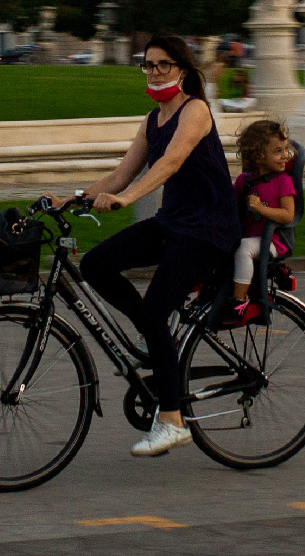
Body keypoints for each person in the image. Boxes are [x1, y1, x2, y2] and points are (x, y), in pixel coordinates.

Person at [81, 34, 241, 461]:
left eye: (163, 64)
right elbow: (120, 174)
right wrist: (70, 200)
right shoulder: (153, 119)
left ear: (183, 70)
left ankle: (172, 421)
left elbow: (171, 161)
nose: (154, 72)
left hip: (208, 230)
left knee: (154, 312)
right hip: (174, 223)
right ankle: (155, 334)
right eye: (148, 65)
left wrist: (130, 199)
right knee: (95, 264)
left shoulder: (196, 111)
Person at [226, 119, 297, 326]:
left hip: (274, 241)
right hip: (250, 234)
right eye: (277, 151)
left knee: (244, 248)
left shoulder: (283, 181)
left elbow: (288, 215)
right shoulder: (244, 181)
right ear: (258, 156)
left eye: (286, 149)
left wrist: (260, 208)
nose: (285, 155)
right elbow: (231, 207)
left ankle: (239, 301)